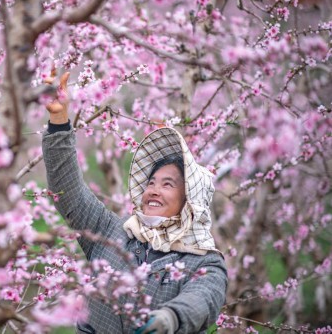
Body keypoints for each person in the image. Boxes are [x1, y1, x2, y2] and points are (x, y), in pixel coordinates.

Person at [41, 72, 228, 334]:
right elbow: (67, 190)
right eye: (151, 183)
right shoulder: (111, 232)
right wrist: (59, 121)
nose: (153, 190)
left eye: (167, 184)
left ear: (190, 201)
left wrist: (170, 318)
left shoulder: (204, 262)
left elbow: (203, 298)